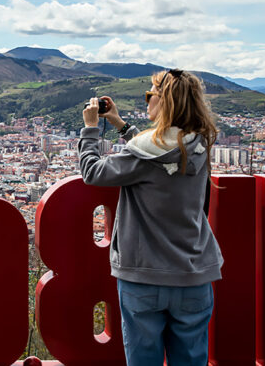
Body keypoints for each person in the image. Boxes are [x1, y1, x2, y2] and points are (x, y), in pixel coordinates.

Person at [79, 69, 222, 366]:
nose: (146, 102)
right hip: (194, 275)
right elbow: (159, 151)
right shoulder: (198, 146)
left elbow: (93, 171)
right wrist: (120, 125)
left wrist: (91, 128)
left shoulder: (141, 158)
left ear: (165, 102)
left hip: (143, 277)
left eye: (150, 96)